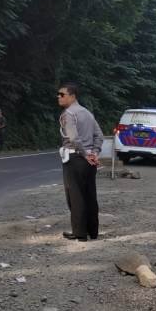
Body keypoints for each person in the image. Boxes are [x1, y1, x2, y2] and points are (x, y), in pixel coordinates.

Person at [57, 82, 104, 242]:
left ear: (72, 96)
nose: (59, 97)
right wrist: (94, 153)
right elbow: (99, 135)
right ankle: (93, 231)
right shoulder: (88, 113)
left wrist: (85, 154)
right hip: (90, 160)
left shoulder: (68, 114)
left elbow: (74, 139)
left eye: (62, 94)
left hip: (75, 158)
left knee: (75, 196)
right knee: (90, 195)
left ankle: (80, 233)